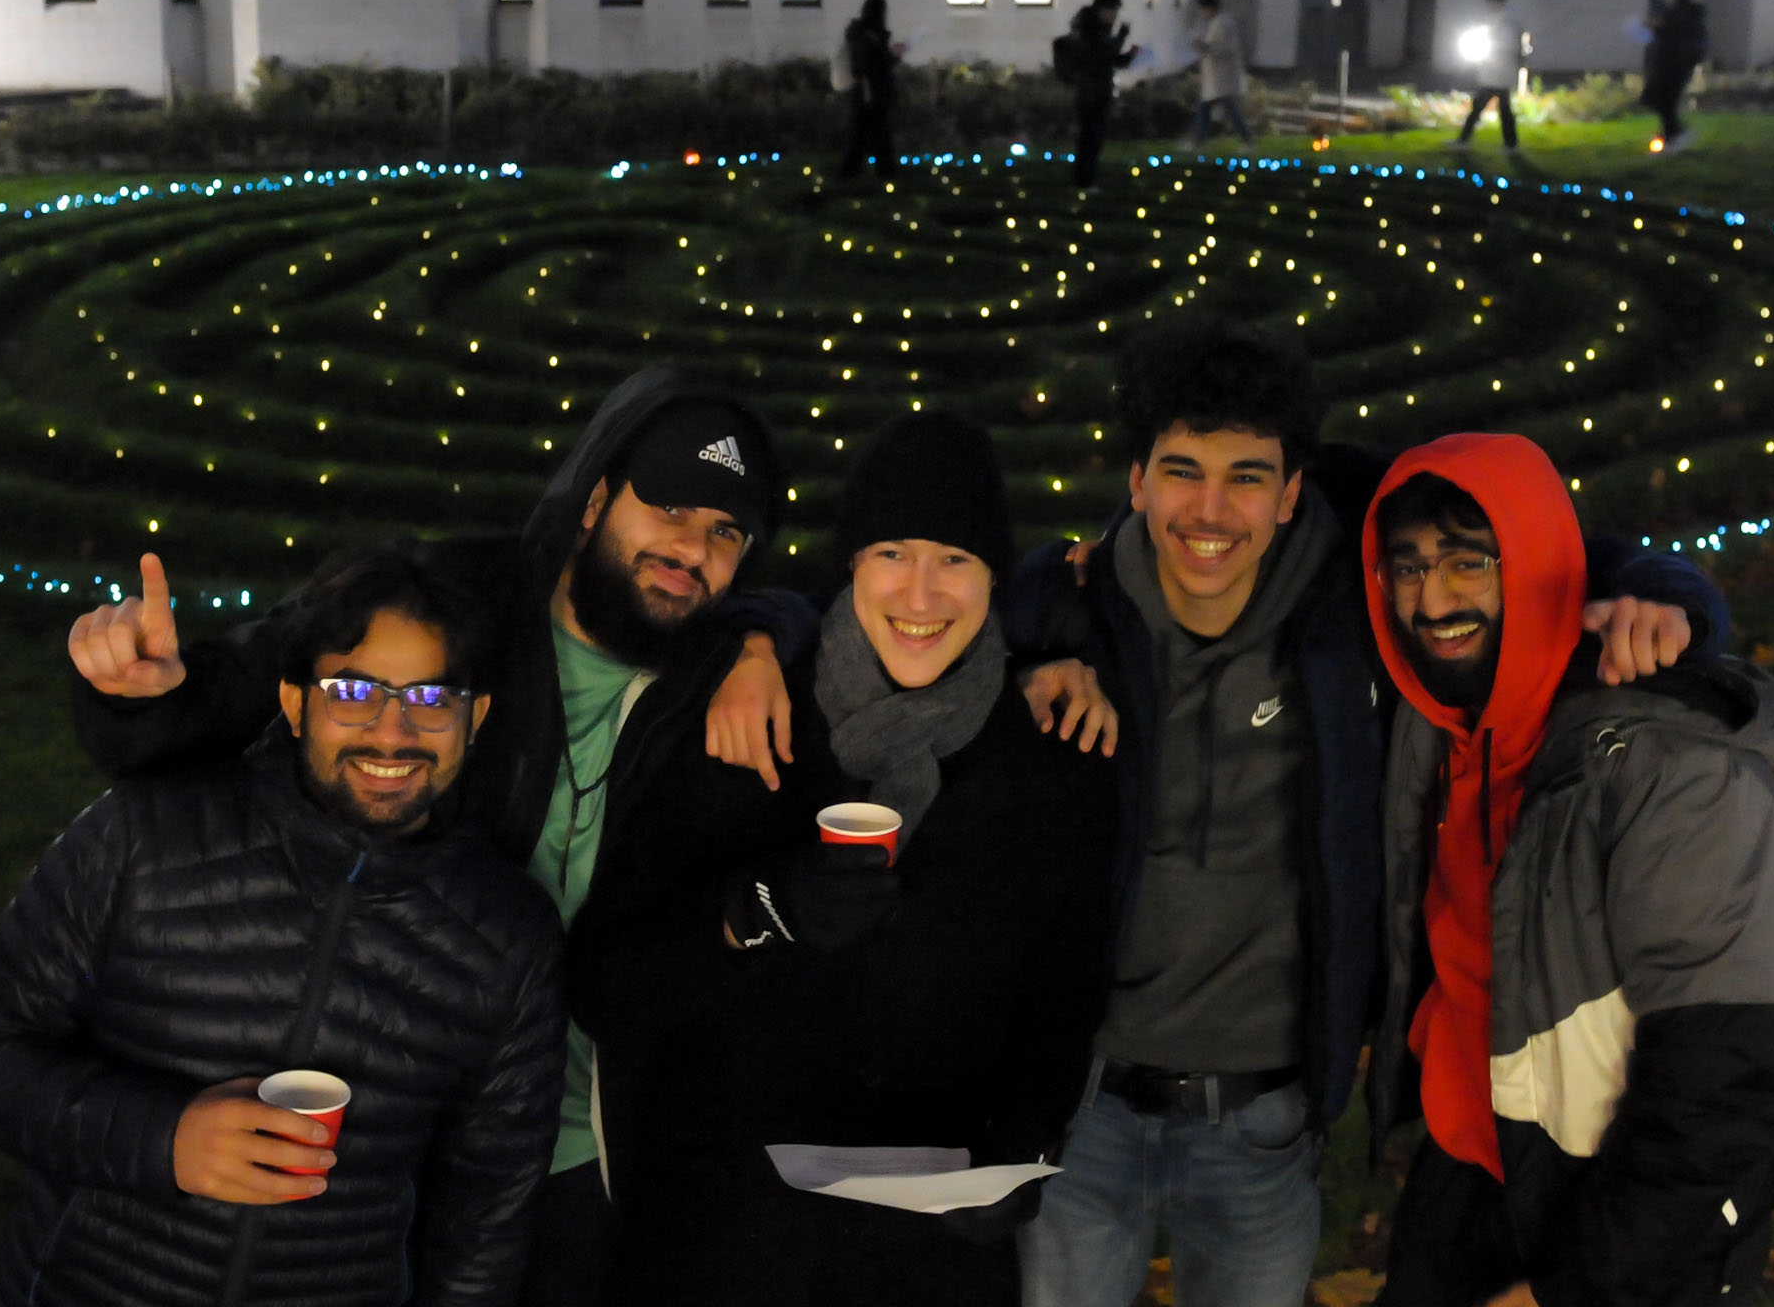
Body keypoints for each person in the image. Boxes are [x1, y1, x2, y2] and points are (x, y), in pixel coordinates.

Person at [63, 370, 1109, 1306]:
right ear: (596, 495)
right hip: (375, 1100)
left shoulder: (720, 677)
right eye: (667, 507)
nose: (689, 551)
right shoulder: (463, 603)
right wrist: (150, 696)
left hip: (577, 1147)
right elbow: (270, 673)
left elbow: (844, 622)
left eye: (725, 533)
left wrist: (1046, 648)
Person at [1005, 316, 1729, 1307]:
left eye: (1247, 476)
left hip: (1262, 1117)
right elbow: (922, 603)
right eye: (1179, 471)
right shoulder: (1073, 607)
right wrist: (1036, 631)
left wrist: (1666, 598)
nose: (1208, 509)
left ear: (1293, 488)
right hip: (1082, 1105)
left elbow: (1543, 544)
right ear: (1133, 480)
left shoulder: (1359, 593)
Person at [575, 411, 1118, 1307]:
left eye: (956, 560)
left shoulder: (1049, 759)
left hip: (928, 1261)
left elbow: (1064, 996)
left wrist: (1021, 1147)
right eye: (892, 553)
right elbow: (606, 982)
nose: (920, 593)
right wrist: (758, 909)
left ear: (992, 580)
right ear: (851, 568)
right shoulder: (746, 723)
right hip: (725, 1246)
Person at [0, 543, 566, 1307]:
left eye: (432, 700)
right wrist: (163, 1138)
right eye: (353, 691)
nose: (393, 732)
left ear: (477, 719)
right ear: (296, 703)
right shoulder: (144, 837)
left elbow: (488, 1208)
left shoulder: (510, 939)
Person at [1359, 438, 1774, 1307]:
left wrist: (1569, 1291)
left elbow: (1724, 1094)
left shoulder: (1674, 775)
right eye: (1406, 567)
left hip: (1611, 1217)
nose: (1431, 597)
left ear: (1528, 564)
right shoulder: (1442, 725)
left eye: (1466, 562)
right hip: (1469, 1170)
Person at [1058, 0, 1140, 186]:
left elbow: (1110, 60)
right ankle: (1084, 180)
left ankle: (1085, 179)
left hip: (1098, 90)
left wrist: (1129, 55)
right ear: (1101, 11)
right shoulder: (1089, 32)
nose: (1114, 16)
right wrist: (1121, 38)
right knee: (1090, 138)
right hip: (1091, 92)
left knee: (1092, 138)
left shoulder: (1099, 31)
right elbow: (1102, 57)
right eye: (1112, 11)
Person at [1448, 0, 1522, 153]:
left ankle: (1464, 141)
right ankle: (1511, 144)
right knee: (1500, 110)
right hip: (1492, 74)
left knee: (1486, 109)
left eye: (1492, 2)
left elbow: (1510, 47)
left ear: (1500, 3)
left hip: (1499, 75)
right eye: (1489, 2)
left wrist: (1490, 45)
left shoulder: (1506, 23)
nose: (1489, 5)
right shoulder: (1491, 22)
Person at [1639, 0, 1708, 153]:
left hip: (1677, 65)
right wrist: (1656, 28)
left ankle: (1674, 137)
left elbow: (1676, 35)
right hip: (1666, 63)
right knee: (1659, 101)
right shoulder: (1674, 13)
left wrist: (1657, 27)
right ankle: (1673, 134)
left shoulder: (1686, 14)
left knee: (1666, 102)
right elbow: (1668, 34)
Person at [841, 0, 905, 178]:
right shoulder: (866, 37)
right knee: (874, 138)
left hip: (866, 96)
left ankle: (852, 177)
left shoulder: (863, 35)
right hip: (871, 96)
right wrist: (892, 57)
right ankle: (882, 176)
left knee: (861, 139)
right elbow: (869, 67)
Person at [1187, 0, 1252, 148]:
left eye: (1203, 10)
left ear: (1210, 8)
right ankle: (1198, 143)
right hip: (1219, 77)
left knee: (1222, 109)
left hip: (1221, 77)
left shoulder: (1221, 24)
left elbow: (1220, 48)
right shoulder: (1221, 22)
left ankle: (1247, 140)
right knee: (1210, 109)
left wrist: (1201, 45)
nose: (1202, 13)